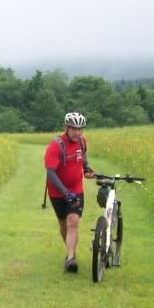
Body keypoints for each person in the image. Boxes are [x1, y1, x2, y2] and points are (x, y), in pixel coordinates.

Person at [44, 111, 95, 273]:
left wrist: (86, 168)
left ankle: (70, 258)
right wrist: (65, 193)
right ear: (66, 128)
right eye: (73, 129)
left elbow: (83, 157)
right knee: (63, 223)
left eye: (80, 129)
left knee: (73, 221)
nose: (77, 132)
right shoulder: (56, 145)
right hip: (57, 191)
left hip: (76, 188)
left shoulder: (82, 141)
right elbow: (50, 172)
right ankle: (70, 251)